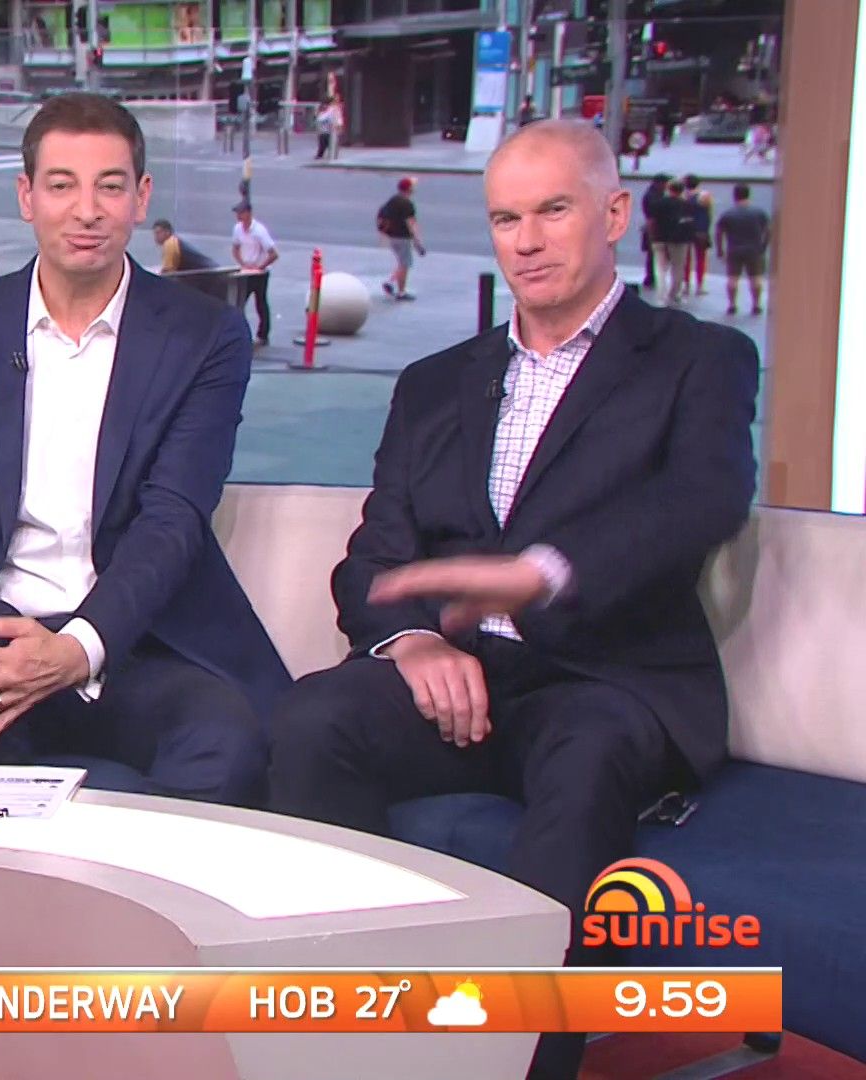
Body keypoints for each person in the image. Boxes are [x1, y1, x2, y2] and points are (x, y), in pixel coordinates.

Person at [267, 119, 759, 1080]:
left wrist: (548, 571)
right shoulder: (435, 384)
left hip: (603, 680)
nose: (526, 241)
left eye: (552, 211)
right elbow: (376, 558)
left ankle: (514, 1062)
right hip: (456, 679)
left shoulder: (698, 359)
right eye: (505, 219)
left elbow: (705, 499)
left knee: (587, 765)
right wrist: (410, 641)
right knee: (312, 718)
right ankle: (350, 1044)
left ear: (614, 214)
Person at [0, 92, 290, 806]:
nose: (86, 210)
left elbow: (173, 517)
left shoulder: (204, 336)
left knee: (226, 744)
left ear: (140, 198)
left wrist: (76, 650)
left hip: (137, 641)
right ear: (27, 196)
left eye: (110, 186)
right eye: (62, 185)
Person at [715, 182, 770, 317]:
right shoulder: (759, 213)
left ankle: (732, 305)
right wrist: (763, 246)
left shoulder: (728, 214)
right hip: (754, 249)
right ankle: (756, 305)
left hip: (734, 249)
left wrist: (720, 250)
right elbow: (768, 231)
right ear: (748, 195)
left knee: (732, 279)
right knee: (755, 279)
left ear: (735, 196)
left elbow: (719, 233)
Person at [228, 201, 279, 346]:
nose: (238, 216)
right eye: (237, 213)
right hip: (245, 272)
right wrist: (242, 263)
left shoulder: (259, 231)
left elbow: (274, 254)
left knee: (260, 303)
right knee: (239, 302)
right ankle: (240, 333)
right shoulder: (237, 228)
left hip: (260, 273)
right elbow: (235, 247)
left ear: (248, 213)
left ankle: (263, 335)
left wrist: (260, 267)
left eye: (241, 213)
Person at [377, 176, 425, 300]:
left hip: (392, 237)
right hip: (403, 238)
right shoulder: (407, 204)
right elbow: (411, 224)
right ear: (409, 189)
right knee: (405, 264)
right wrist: (418, 243)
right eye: (412, 186)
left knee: (401, 262)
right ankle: (401, 292)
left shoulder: (393, 200)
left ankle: (391, 282)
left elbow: (382, 216)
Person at [651, 178, 695, 304]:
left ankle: (661, 296)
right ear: (682, 190)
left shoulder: (659, 203)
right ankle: (674, 294)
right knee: (678, 268)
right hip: (679, 240)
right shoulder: (687, 205)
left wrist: (652, 237)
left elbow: (653, 221)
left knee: (660, 269)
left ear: (669, 189)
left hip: (660, 238)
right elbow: (690, 223)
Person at [638, 172, 671, 291]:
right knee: (653, 254)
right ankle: (651, 278)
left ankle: (652, 277)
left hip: (655, 227)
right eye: (665, 183)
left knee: (653, 254)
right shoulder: (652, 196)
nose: (667, 185)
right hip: (654, 228)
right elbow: (653, 214)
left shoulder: (655, 194)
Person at [151, 217, 216, 276]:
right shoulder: (174, 241)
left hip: (211, 276)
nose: (155, 237)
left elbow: (167, 273)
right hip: (213, 272)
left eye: (158, 233)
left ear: (167, 232)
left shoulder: (170, 243)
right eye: (154, 233)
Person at [683, 174, 713, 297]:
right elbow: (709, 213)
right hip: (700, 230)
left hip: (686, 229)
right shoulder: (704, 196)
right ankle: (700, 286)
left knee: (686, 258)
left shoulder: (683, 196)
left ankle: (686, 285)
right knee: (701, 258)